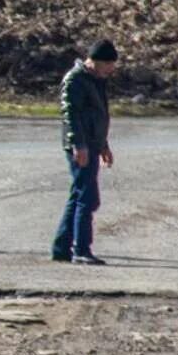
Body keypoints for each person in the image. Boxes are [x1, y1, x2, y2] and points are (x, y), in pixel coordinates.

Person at [52, 39, 118, 265]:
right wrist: (78, 145)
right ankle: (81, 249)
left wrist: (103, 146)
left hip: (91, 144)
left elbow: (97, 117)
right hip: (80, 147)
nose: (112, 69)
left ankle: (61, 247)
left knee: (79, 195)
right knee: (87, 198)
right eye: (109, 64)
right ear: (97, 61)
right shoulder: (75, 80)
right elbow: (70, 115)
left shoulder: (96, 80)